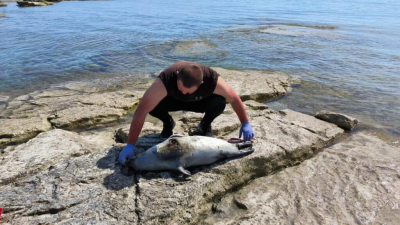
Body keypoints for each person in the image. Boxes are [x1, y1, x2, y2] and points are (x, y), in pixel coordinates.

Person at [118, 61, 254, 165]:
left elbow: (235, 99)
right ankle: (168, 123)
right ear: (177, 75)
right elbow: (141, 110)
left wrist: (245, 123)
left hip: (199, 102)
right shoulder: (165, 80)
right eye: (180, 88)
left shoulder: (212, 80)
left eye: (188, 91)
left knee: (219, 102)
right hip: (173, 102)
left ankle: (205, 125)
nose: (184, 92)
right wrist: (131, 144)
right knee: (151, 106)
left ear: (201, 83)